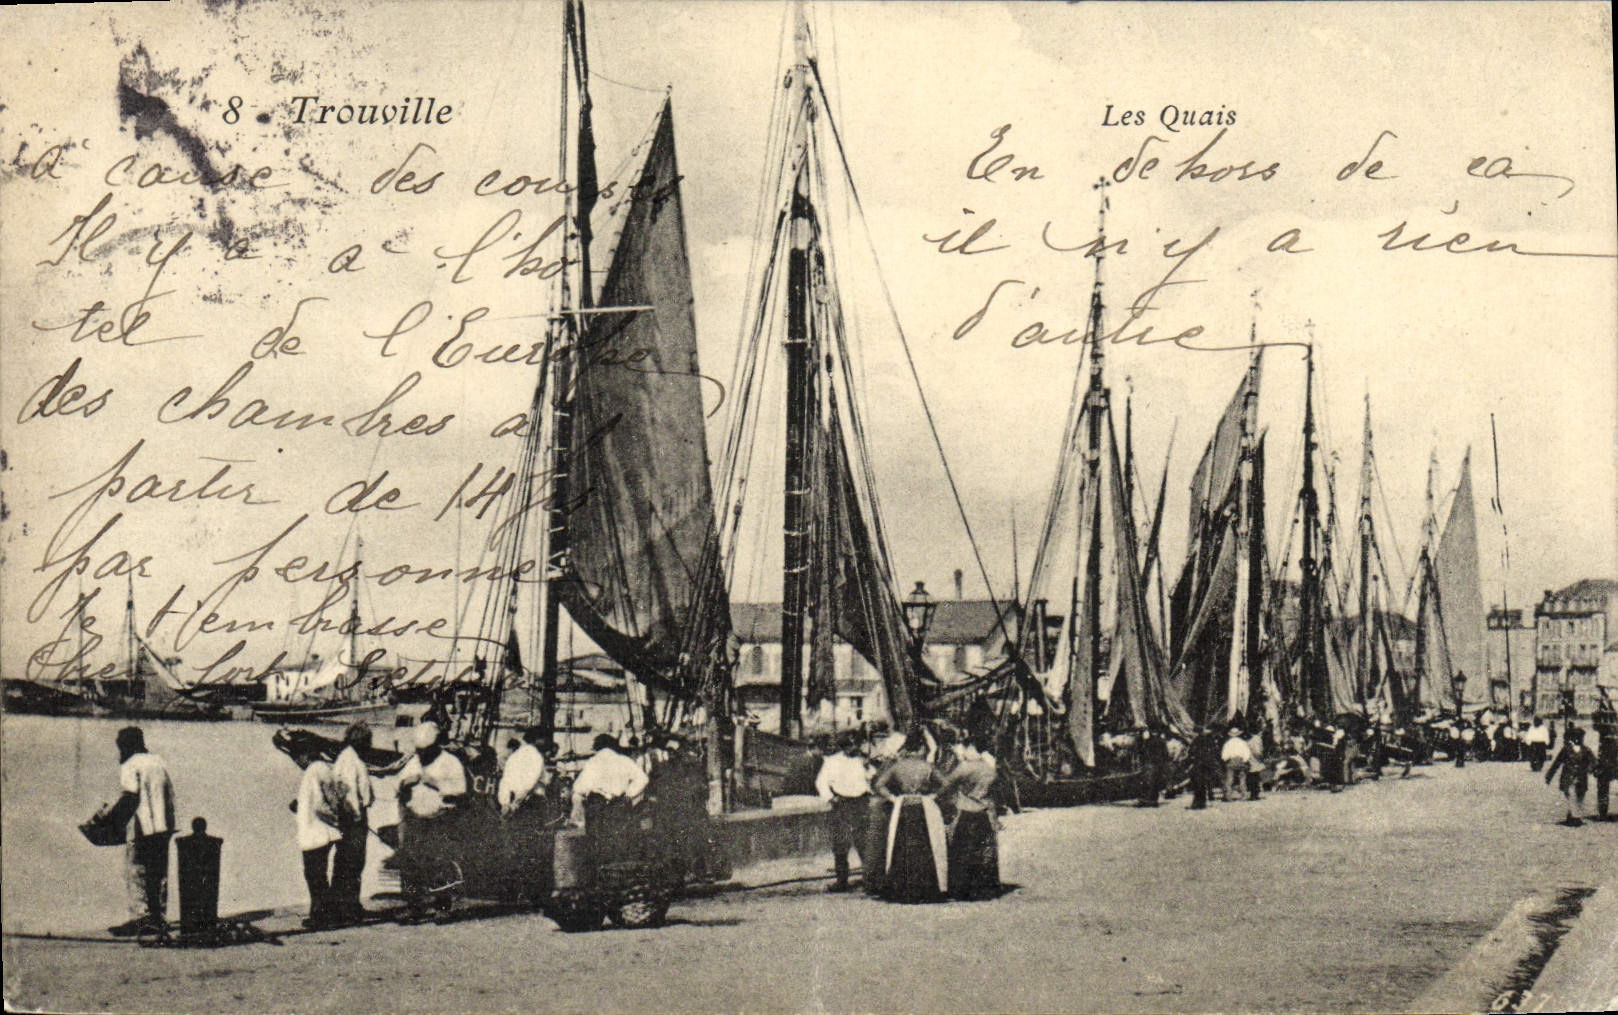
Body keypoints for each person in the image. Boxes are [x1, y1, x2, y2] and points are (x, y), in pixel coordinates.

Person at [105, 727, 176, 937]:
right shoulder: (158, 761)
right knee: (159, 872)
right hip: (164, 826)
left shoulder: (130, 764)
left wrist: (111, 822)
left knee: (137, 871)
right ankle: (158, 917)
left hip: (141, 826)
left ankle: (141, 917)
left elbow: (130, 796)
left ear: (126, 746)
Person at [871, 731, 947, 904]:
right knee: (925, 846)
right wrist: (934, 796)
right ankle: (926, 888)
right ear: (921, 748)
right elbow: (946, 784)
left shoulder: (898, 766)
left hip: (904, 807)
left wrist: (892, 798)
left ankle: (902, 888)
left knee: (902, 846)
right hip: (923, 807)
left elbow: (879, 785)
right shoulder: (927, 766)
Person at [942, 735, 1000, 900]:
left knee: (962, 850)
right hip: (985, 811)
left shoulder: (965, 767)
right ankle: (986, 888)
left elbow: (947, 783)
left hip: (966, 810)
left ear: (971, 748)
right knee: (984, 852)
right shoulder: (989, 769)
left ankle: (961, 889)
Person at [290, 745, 343, 928]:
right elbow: (328, 798)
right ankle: (324, 913)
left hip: (317, 832)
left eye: (297, 758)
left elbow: (320, 804)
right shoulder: (322, 769)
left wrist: (334, 819)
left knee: (315, 875)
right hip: (320, 831)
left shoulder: (313, 771)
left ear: (306, 755)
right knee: (317, 874)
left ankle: (321, 915)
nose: (297, 763)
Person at [328, 722, 375, 925]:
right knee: (352, 862)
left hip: (350, 817)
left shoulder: (348, 758)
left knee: (345, 862)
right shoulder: (351, 761)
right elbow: (350, 793)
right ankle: (347, 907)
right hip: (353, 818)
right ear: (361, 741)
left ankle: (346, 905)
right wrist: (356, 818)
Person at [815, 730, 872, 893]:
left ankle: (869, 880)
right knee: (841, 843)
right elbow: (821, 782)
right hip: (843, 803)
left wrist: (869, 769)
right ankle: (842, 880)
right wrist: (831, 798)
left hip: (861, 802)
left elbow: (871, 779)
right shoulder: (832, 761)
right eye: (850, 745)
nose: (854, 748)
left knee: (864, 842)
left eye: (856, 744)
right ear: (844, 746)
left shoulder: (862, 760)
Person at [570, 733, 649, 826]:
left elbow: (579, 788)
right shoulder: (623, 760)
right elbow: (643, 779)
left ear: (597, 748)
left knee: (597, 838)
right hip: (619, 804)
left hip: (597, 806)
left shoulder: (593, 762)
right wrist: (629, 794)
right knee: (619, 837)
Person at [398, 722, 468, 820]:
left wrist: (436, 783)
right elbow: (397, 786)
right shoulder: (414, 761)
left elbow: (461, 789)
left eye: (426, 750)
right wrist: (404, 783)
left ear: (435, 745)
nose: (422, 754)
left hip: (441, 820)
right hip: (414, 819)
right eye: (419, 750)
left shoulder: (451, 762)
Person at [497, 727, 554, 817]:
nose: (546, 742)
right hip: (529, 801)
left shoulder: (514, 756)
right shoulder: (535, 756)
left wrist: (505, 803)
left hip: (511, 799)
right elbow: (529, 783)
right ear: (537, 739)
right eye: (545, 739)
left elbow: (505, 780)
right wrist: (516, 803)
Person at [1544, 726, 1595, 826]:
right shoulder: (1566, 750)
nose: (1579, 739)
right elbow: (1557, 763)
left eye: (1581, 737)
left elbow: (1593, 761)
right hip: (1568, 777)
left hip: (1581, 778)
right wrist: (1549, 776)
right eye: (1577, 737)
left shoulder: (1586, 750)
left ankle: (1573, 815)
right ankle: (1575, 817)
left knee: (1580, 797)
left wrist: (1590, 768)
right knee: (1571, 795)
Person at [1189, 727, 1222, 809]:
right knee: (1204, 782)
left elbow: (1191, 752)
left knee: (1198, 783)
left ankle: (1197, 802)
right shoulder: (1209, 740)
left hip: (1199, 763)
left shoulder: (1196, 740)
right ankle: (1202, 801)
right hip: (1207, 763)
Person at [1593, 718, 1618, 822]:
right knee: (1603, 784)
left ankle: (1603, 812)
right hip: (1608, 762)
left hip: (1607, 761)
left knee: (1603, 785)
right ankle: (1602, 811)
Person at [1136, 729, 1169, 807]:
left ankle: (1146, 799)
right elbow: (1166, 754)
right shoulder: (1162, 741)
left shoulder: (1148, 741)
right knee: (1155, 782)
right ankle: (1154, 800)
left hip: (1150, 763)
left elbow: (1143, 752)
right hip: (1159, 764)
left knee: (1148, 781)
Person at [1221, 727, 1252, 802]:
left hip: (1231, 761)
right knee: (1242, 779)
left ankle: (1228, 795)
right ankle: (1244, 795)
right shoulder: (1243, 742)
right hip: (1241, 761)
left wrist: (1225, 760)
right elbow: (1247, 753)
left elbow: (1224, 755)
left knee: (1230, 779)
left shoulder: (1228, 743)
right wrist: (1245, 760)